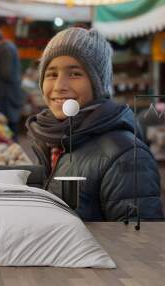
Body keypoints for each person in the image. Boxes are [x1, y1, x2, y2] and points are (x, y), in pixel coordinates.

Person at [26, 27, 164, 221]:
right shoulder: (52, 141)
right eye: (51, 74)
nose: (59, 86)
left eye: (74, 74)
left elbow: (139, 242)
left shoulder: (126, 156)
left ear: (98, 84)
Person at [0, 28, 24, 141]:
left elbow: (6, 73)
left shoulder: (5, 50)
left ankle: (12, 141)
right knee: (7, 119)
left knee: (9, 119)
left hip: (6, 93)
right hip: (6, 91)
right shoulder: (6, 48)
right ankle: (11, 140)